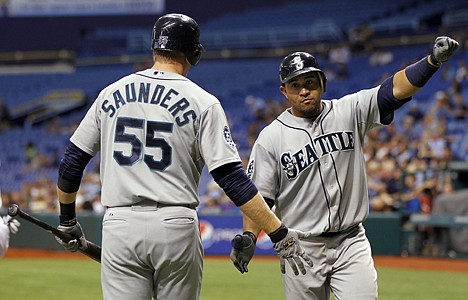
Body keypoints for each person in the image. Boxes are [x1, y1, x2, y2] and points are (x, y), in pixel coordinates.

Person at [53, 13, 312, 300]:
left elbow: (72, 162)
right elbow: (231, 178)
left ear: (155, 48)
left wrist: (66, 220)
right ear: (194, 53)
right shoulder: (203, 101)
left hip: (120, 223)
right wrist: (277, 231)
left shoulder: (110, 93)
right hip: (174, 224)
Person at [230, 36, 459, 299]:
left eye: (309, 82)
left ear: (322, 83)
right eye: (295, 85)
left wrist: (431, 62)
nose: (304, 90)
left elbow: (393, 89)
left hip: (351, 241)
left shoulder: (349, 110)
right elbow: (261, 196)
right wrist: (249, 235)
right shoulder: (271, 138)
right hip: (301, 246)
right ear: (284, 91)